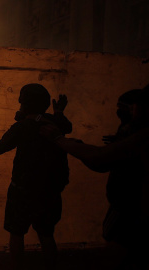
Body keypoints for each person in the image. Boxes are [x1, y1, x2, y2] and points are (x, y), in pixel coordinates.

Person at [41, 86, 149, 270]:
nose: (124, 112)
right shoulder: (132, 133)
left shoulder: (142, 137)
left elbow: (99, 158)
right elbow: (102, 161)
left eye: (131, 107)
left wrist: (60, 140)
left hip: (134, 216)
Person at [0, 84, 72, 270]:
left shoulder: (23, 127)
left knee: (17, 233)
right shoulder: (54, 122)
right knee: (46, 234)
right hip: (50, 192)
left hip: (23, 192)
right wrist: (58, 112)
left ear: (24, 104)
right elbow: (67, 126)